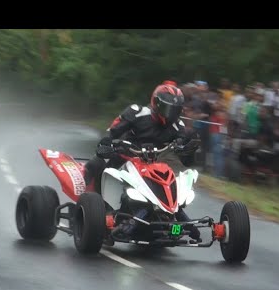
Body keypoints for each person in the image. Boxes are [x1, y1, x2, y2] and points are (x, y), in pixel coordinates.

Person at [83, 83, 202, 241]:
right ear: (156, 104)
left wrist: (188, 147)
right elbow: (111, 133)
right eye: (168, 109)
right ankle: (92, 207)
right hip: (124, 158)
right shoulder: (136, 112)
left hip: (154, 164)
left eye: (175, 110)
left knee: (174, 180)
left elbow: (185, 147)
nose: (171, 115)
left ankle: (172, 214)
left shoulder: (177, 125)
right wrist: (110, 143)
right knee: (96, 164)